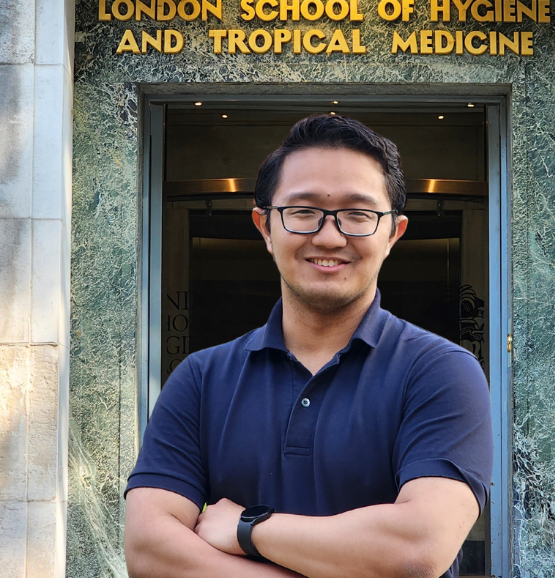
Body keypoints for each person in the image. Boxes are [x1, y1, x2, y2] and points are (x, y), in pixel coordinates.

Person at [124, 114, 493, 578]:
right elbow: (149, 549)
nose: (329, 237)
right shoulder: (200, 379)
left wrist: (247, 528)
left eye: (358, 215)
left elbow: (418, 546)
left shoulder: (441, 372)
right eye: (302, 212)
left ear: (393, 234)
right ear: (265, 227)